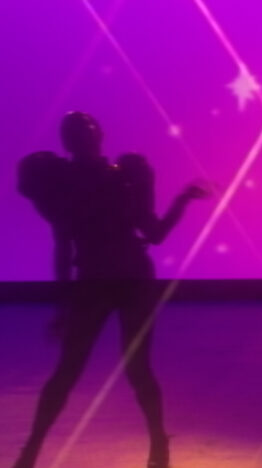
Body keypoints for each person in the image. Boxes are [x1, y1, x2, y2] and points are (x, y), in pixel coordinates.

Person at [13, 111, 209, 468]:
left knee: (102, 370)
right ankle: (34, 450)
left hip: (117, 280)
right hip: (112, 279)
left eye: (82, 132)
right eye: (77, 133)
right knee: (100, 370)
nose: (82, 138)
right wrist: (182, 200)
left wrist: (63, 303)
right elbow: (152, 234)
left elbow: (68, 246)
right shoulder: (104, 178)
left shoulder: (98, 178)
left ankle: (32, 452)